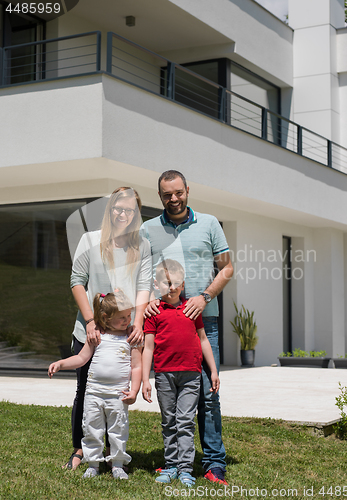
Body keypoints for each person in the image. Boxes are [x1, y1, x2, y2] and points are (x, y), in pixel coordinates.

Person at [141, 171, 233, 485]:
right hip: (164, 322)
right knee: (169, 394)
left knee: (208, 394)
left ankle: (213, 462)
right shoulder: (148, 229)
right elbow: (139, 273)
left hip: (203, 321)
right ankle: (176, 461)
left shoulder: (209, 224)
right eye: (167, 195)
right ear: (160, 196)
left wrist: (205, 296)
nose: (174, 199)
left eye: (178, 192)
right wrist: (149, 300)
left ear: (187, 190)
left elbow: (227, 267)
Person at [66, 187, 151, 470]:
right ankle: (81, 449)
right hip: (90, 332)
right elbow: (77, 280)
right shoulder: (90, 240)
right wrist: (90, 321)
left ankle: (115, 453)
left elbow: (144, 286)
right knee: (84, 391)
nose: (123, 214)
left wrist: (137, 321)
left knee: (119, 393)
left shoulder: (143, 245)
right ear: (110, 209)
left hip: (125, 334)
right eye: (118, 208)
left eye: (130, 210)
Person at [142, 259, 220, 488]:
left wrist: (213, 370)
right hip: (165, 375)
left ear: (183, 284)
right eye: (167, 283)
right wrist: (145, 379)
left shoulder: (191, 310)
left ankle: (185, 469)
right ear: (157, 285)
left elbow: (203, 340)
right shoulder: (153, 313)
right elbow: (148, 347)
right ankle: (171, 465)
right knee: (169, 421)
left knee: (185, 421)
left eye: (176, 283)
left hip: (191, 376)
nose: (172, 287)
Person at [48, 290, 141, 479]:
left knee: (118, 430)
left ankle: (117, 464)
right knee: (92, 428)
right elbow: (81, 358)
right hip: (94, 393)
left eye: (129, 315)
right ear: (106, 317)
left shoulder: (131, 339)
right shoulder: (97, 336)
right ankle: (93, 464)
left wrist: (135, 390)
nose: (127, 320)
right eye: (122, 317)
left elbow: (137, 367)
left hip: (118, 394)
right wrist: (61, 363)